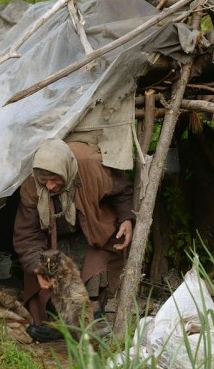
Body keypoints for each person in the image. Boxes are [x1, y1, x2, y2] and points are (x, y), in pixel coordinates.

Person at [13, 139, 134, 342]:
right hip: (51, 236)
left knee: (92, 274)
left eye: (54, 179)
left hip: (92, 229)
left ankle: (95, 318)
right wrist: (37, 267)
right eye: (45, 181)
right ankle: (56, 324)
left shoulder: (90, 166)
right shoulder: (31, 186)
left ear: (66, 171)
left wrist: (127, 219)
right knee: (50, 276)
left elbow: (123, 191)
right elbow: (27, 234)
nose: (50, 186)